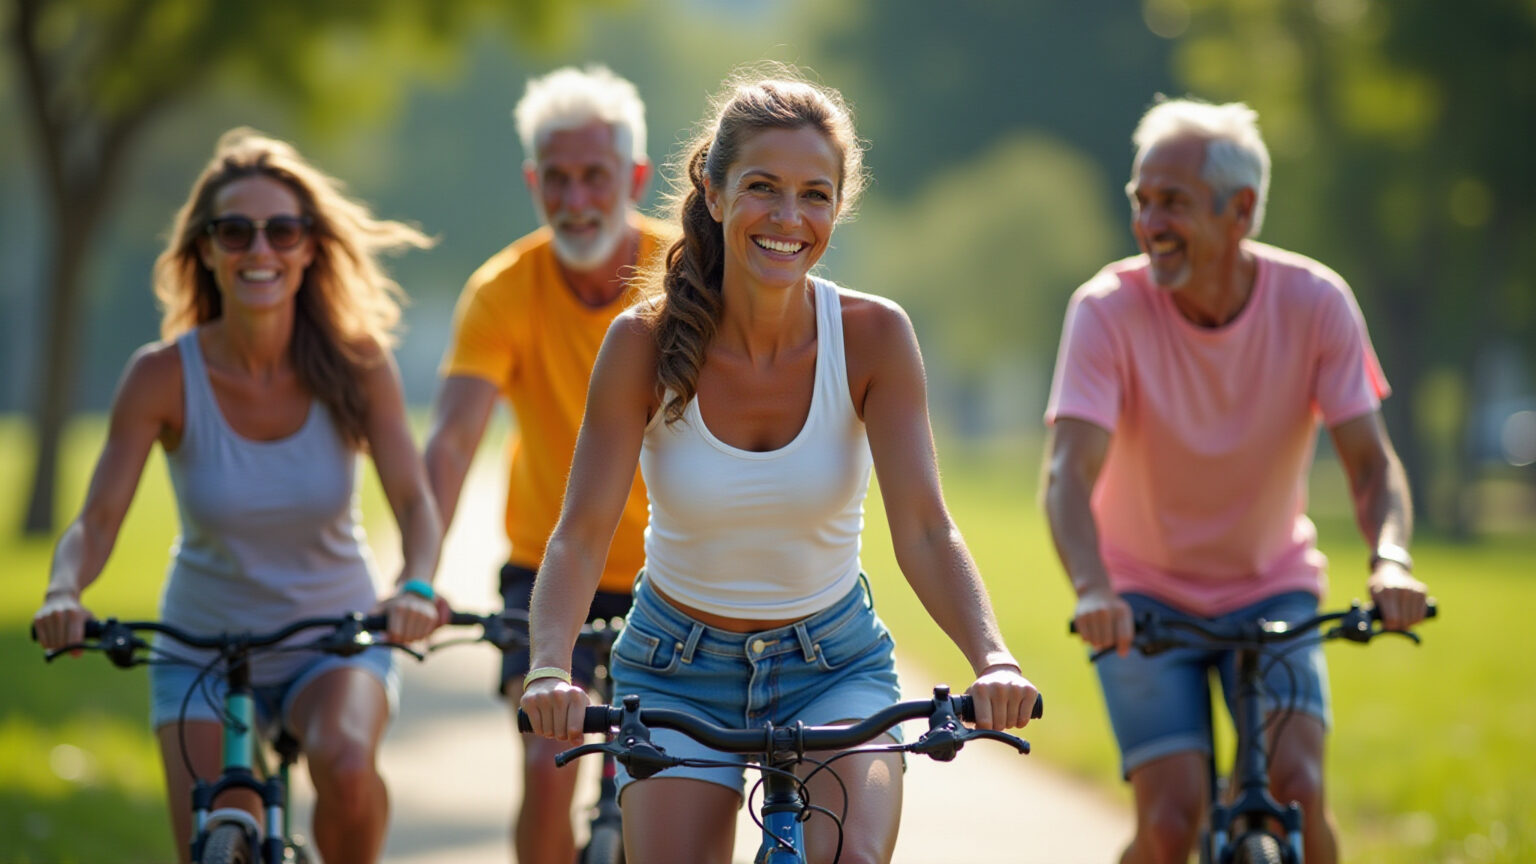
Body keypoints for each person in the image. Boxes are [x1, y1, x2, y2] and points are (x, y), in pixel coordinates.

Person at [519, 66, 1039, 864]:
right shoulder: (641, 344)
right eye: (763, 187)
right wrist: (551, 668)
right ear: (715, 192)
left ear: (838, 206)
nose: (789, 218)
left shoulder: (873, 338)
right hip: (674, 668)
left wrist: (992, 657)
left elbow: (927, 529)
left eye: (816, 195)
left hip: (832, 664)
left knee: (851, 858)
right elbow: (580, 536)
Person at [31, 128, 444, 864]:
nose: (261, 250)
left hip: (335, 638)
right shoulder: (160, 376)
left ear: (310, 247)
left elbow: (415, 503)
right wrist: (64, 590)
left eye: (282, 230)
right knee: (216, 821)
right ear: (207, 250)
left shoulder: (358, 365)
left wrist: (412, 585)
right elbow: (96, 521)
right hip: (201, 647)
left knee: (348, 768)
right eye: (235, 231)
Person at [1043, 96, 1431, 864]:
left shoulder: (1317, 302)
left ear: (1241, 210)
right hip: (1140, 598)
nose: (1149, 222)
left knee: (1297, 788)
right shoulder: (1105, 311)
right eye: (1141, 201)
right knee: (1170, 820)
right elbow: (1067, 475)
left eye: (1174, 204)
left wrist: (1390, 558)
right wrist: (1092, 588)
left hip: (1272, 588)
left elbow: (1370, 463)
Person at [421, 64, 669, 864]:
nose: (574, 199)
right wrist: (419, 576)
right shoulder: (502, 289)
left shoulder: (692, 271)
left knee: (675, 782)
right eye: (554, 180)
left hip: (677, 572)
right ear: (533, 181)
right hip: (549, 566)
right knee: (546, 757)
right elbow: (454, 438)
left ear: (634, 175)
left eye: (594, 177)